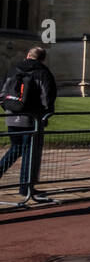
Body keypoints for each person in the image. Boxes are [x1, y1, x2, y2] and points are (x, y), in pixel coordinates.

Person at [0, 46, 57, 202]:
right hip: (32, 119)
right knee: (29, 153)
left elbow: (2, 93)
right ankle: (25, 187)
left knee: (15, 148)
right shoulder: (43, 73)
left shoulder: (14, 69)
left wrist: (9, 109)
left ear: (28, 55)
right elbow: (48, 98)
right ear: (42, 59)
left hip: (12, 116)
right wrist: (45, 116)